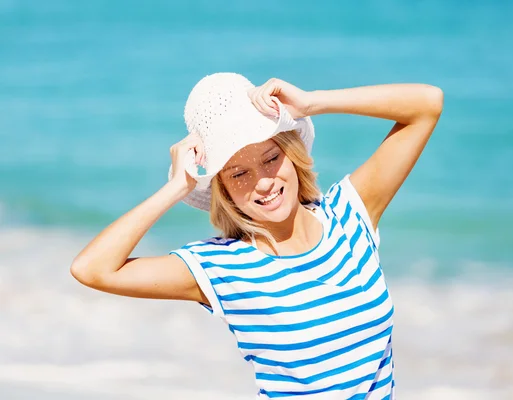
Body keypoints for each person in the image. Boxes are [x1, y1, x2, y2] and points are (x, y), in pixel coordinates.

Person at [71, 73, 443, 399]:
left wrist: (313, 102)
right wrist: (176, 188)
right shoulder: (222, 267)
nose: (263, 182)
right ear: (224, 192)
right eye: (237, 174)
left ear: (292, 154)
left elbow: (427, 104)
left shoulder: (349, 215)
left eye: (270, 158)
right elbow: (92, 269)